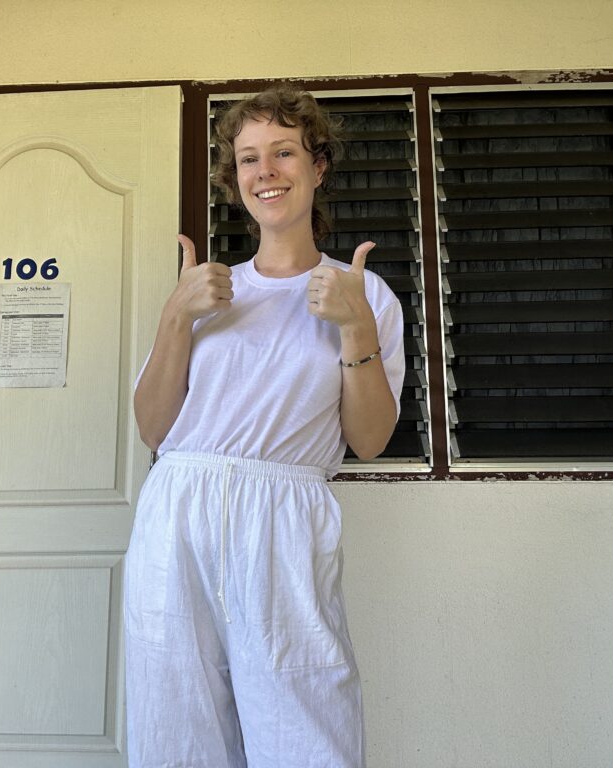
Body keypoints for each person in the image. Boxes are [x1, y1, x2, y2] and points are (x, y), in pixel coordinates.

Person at [125, 84, 405, 768]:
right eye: (249, 158)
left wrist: (356, 328)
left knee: (305, 719)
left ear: (318, 166)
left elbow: (368, 441)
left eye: (284, 152)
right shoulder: (207, 292)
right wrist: (174, 317)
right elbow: (154, 430)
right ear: (234, 178)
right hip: (177, 512)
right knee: (175, 717)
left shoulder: (361, 293)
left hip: (283, 516)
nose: (266, 172)